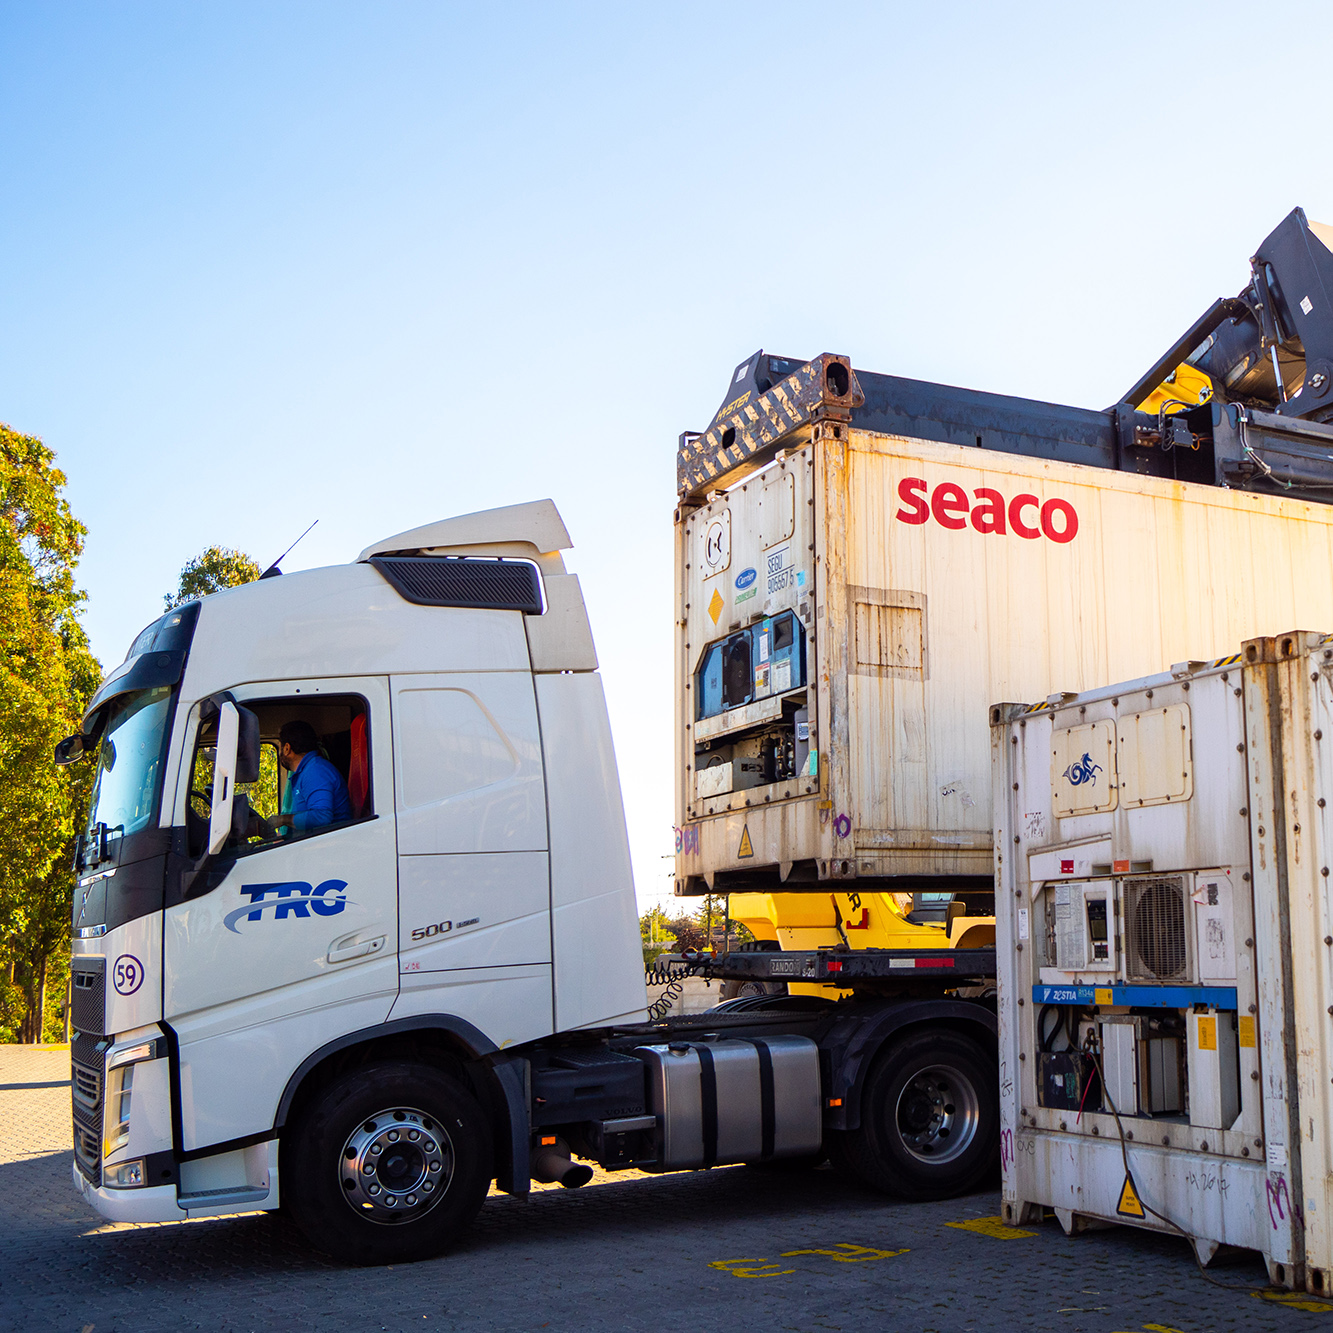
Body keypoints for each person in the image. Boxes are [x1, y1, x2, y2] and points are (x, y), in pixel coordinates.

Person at [267, 720, 352, 836]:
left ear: (287, 748)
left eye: (281, 748)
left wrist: (282, 820)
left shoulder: (315, 770)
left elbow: (322, 817)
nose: (280, 753)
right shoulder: (307, 770)